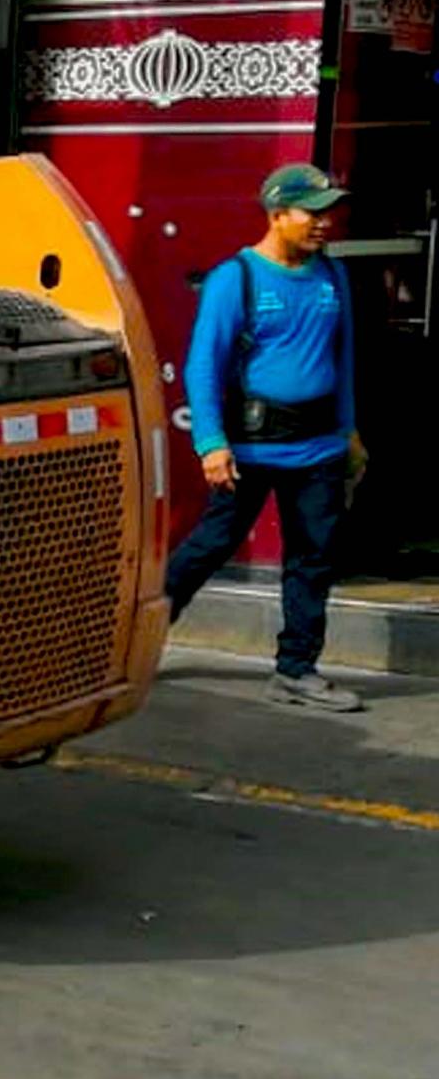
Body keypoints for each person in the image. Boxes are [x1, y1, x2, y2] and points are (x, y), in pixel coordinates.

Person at [166, 163, 368, 712]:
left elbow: (342, 359)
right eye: (313, 212)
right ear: (278, 215)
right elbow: (203, 365)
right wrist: (210, 442)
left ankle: (296, 669)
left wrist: (348, 432)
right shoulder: (238, 277)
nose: (325, 223)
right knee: (209, 547)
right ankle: (142, 636)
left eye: (330, 212)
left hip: (321, 446)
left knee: (313, 558)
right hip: (252, 448)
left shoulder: (333, 276)